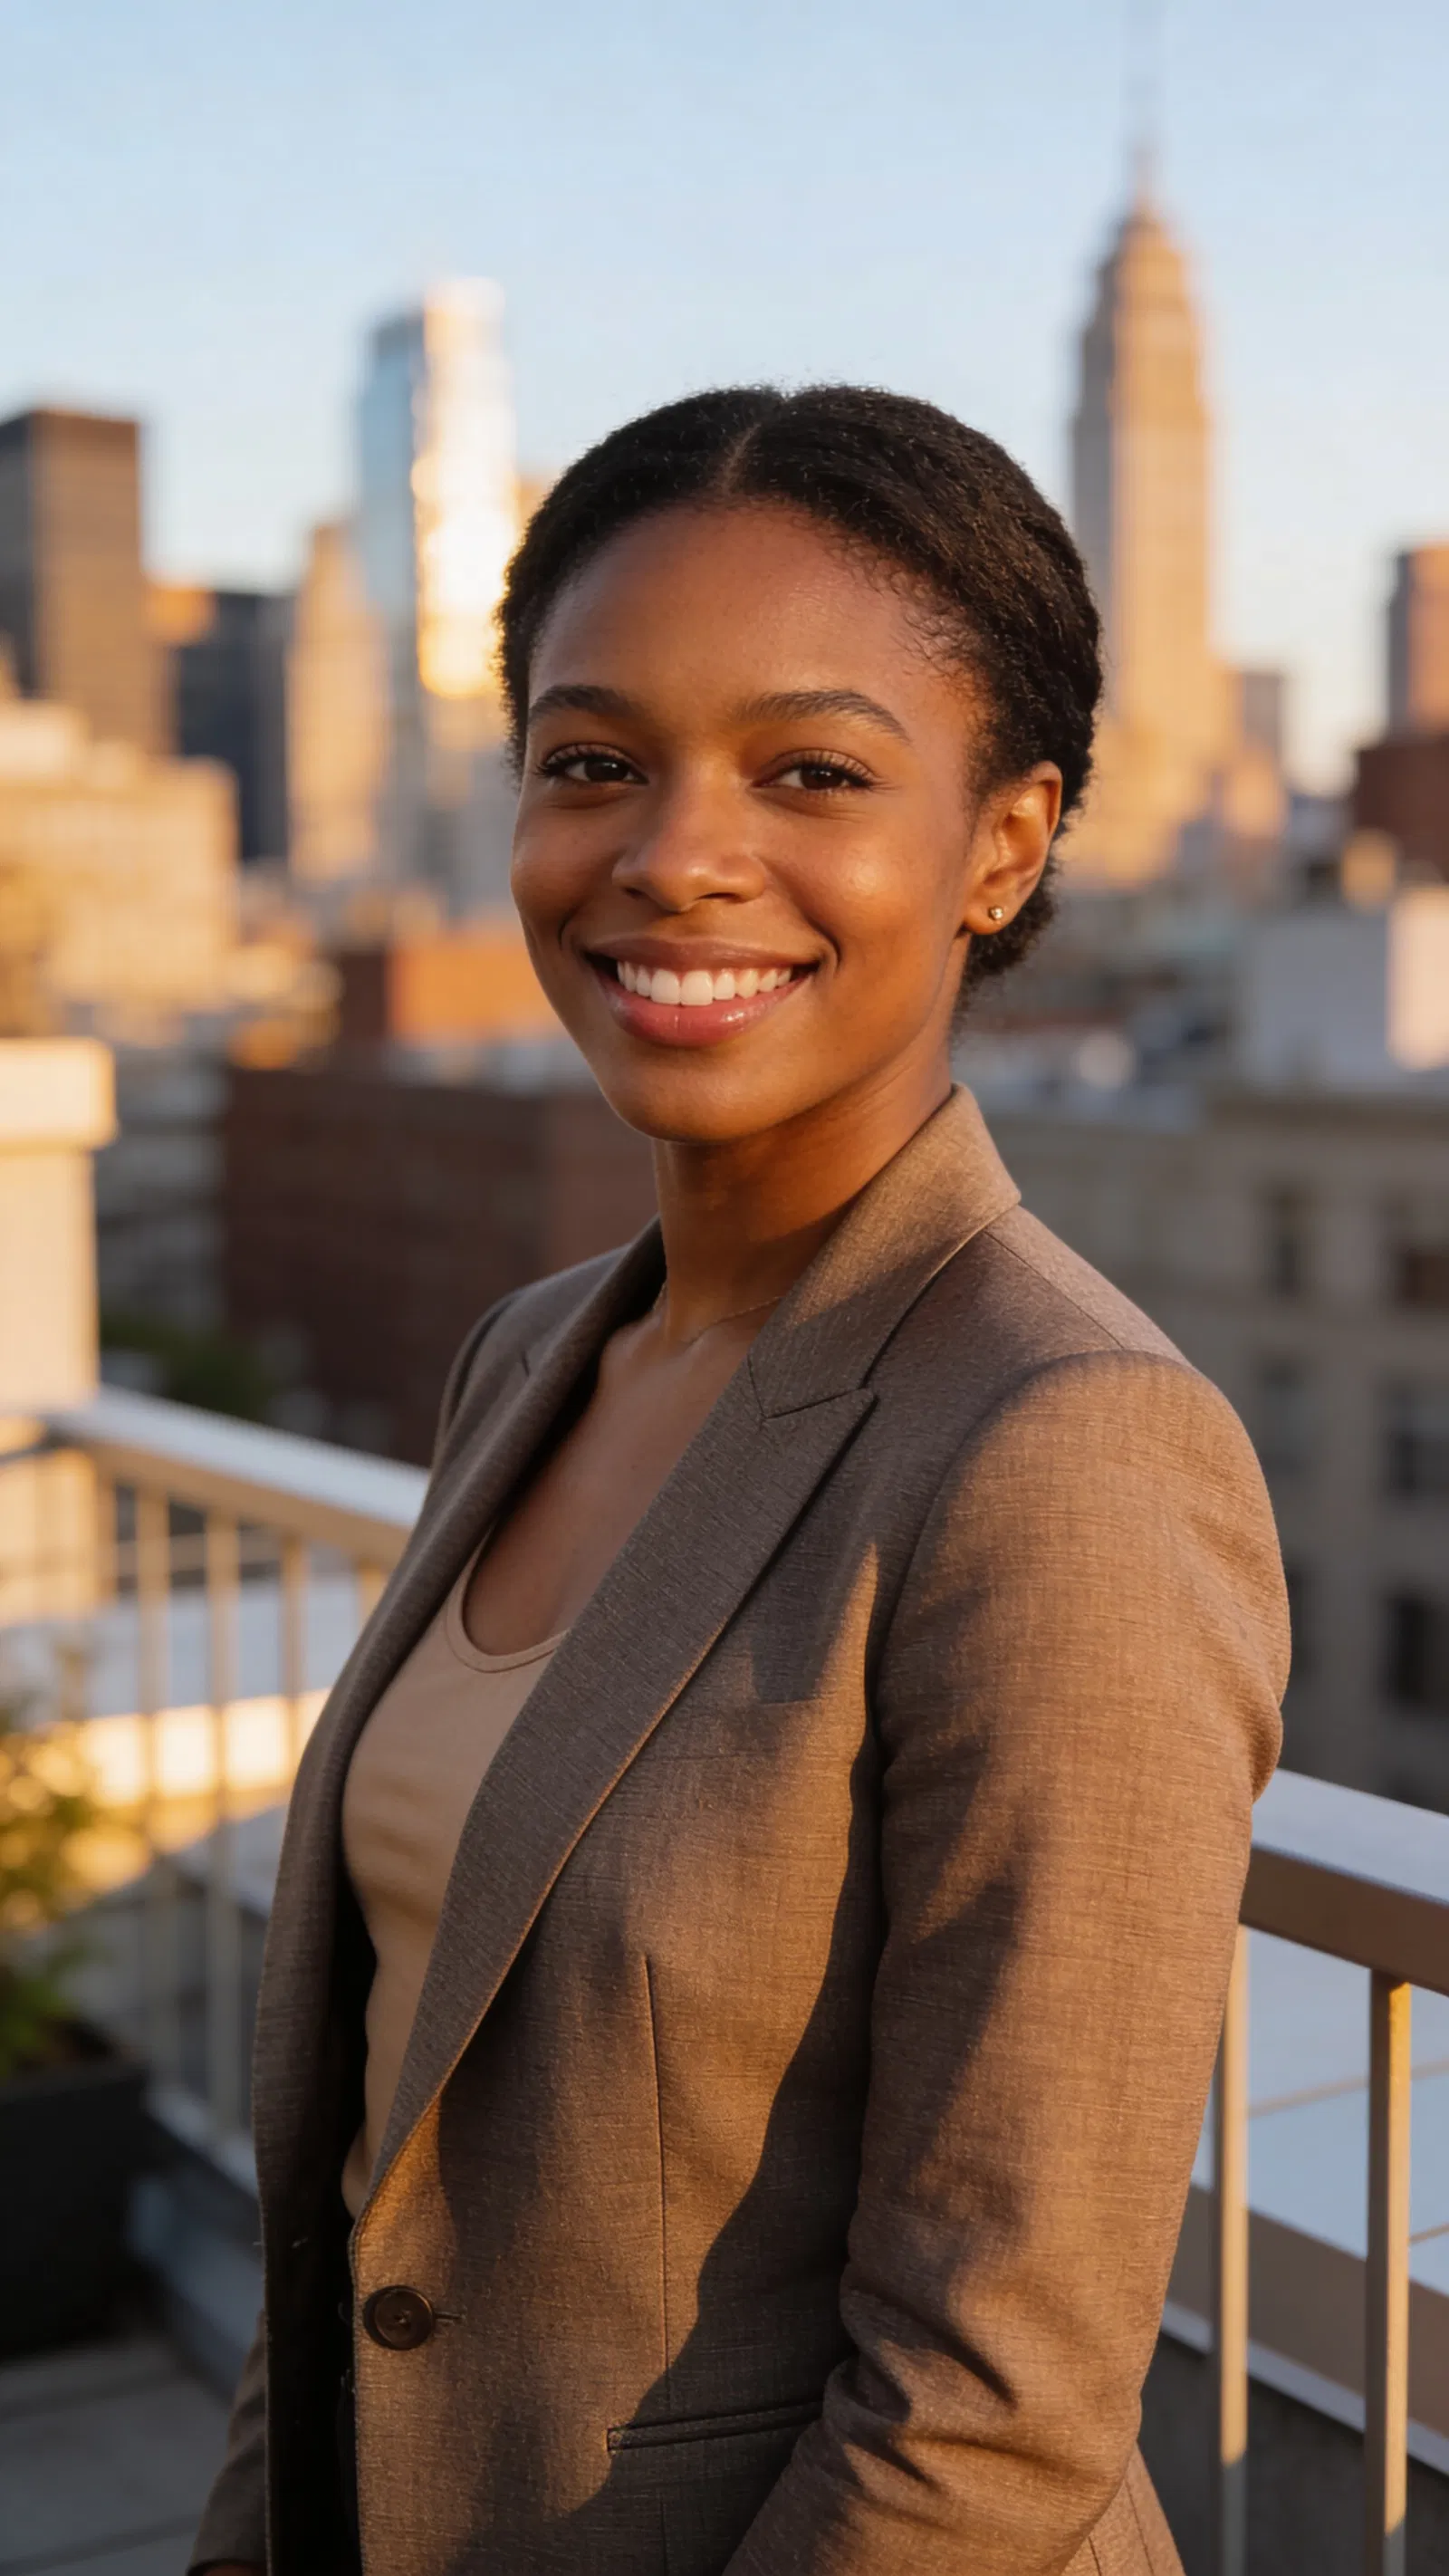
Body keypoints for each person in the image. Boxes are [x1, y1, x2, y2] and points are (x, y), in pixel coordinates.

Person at [194, 385, 1285, 2576]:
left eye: (810, 773)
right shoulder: (533, 1354)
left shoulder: (1062, 1444)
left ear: (1003, 843)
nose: (672, 856)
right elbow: (370, 2170)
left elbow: (986, 2409)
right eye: (592, 763)